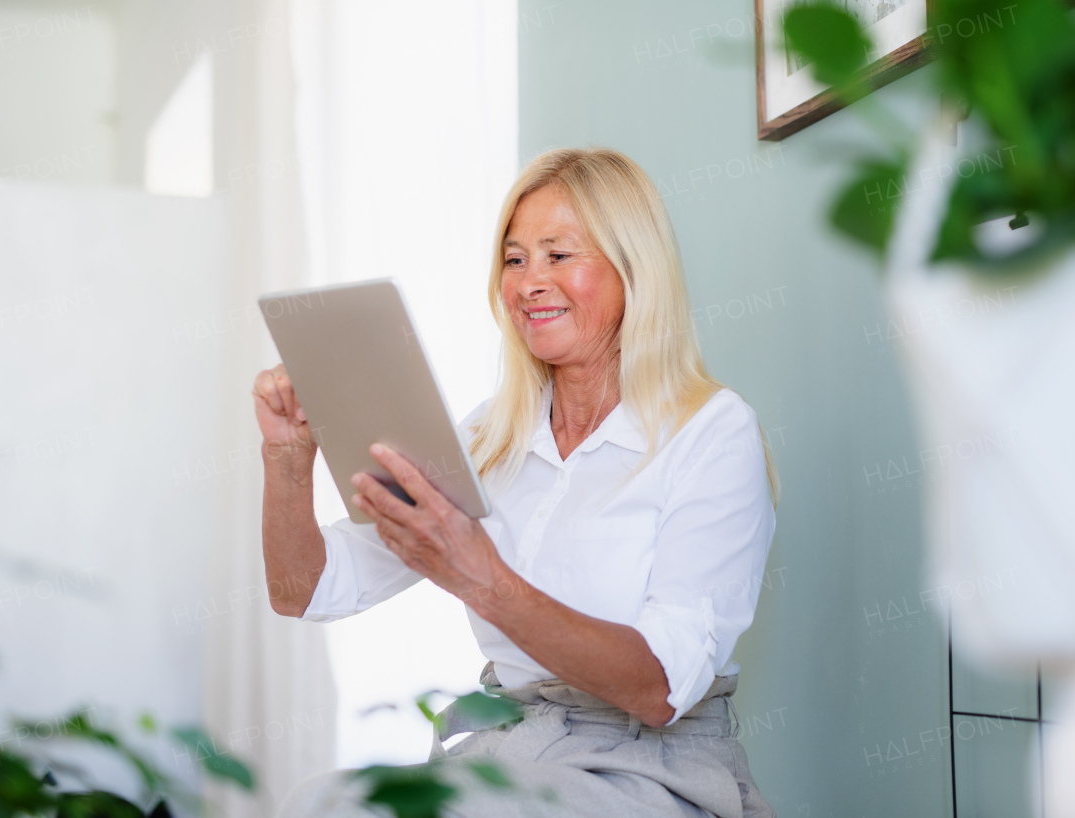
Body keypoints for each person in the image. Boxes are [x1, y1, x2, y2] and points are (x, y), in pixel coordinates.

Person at [255, 147, 780, 817]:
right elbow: (306, 590)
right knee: (320, 802)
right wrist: (288, 461)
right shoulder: (488, 436)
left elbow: (660, 691)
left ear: (633, 267)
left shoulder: (712, 432)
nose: (530, 280)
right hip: (511, 749)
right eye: (514, 258)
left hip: (648, 764)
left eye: (559, 255)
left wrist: (481, 577)